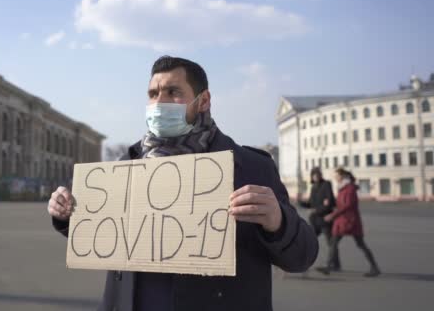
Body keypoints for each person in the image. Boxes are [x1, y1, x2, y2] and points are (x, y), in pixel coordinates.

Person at [48, 56, 318, 310]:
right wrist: (68, 213)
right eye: (153, 94)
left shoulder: (251, 167)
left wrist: (279, 222)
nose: (159, 103)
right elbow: (108, 236)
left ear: (203, 101)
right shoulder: (125, 165)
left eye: (173, 92)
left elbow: (301, 257)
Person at [317, 168, 381, 277]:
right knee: (334, 242)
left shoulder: (349, 188)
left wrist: (332, 215)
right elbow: (341, 204)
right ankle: (328, 266)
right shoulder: (343, 188)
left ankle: (374, 267)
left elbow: (347, 205)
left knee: (360, 244)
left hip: (350, 221)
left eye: (337, 175)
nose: (335, 177)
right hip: (343, 220)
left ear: (342, 176)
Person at [298, 167, 340, 271]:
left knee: (330, 242)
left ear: (320, 175)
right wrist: (301, 201)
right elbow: (311, 204)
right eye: (314, 175)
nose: (316, 176)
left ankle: (335, 264)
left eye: (318, 174)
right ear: (312, 176)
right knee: (310, 241)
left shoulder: (326, 184)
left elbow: (329, 203)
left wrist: (316, 210)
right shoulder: (313, 188)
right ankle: (304, 262)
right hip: (315, 220)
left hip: (325, 219)